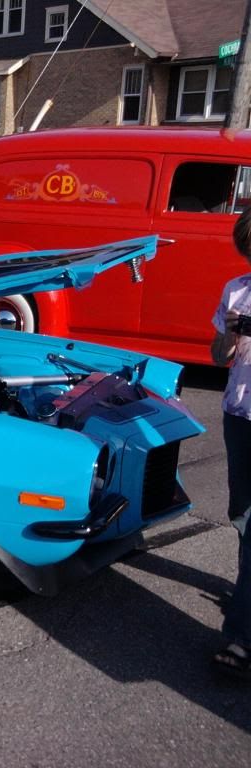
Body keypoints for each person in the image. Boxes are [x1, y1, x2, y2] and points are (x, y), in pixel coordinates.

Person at [211, 205, 251, 679]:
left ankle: (241, 635)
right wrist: (232, 334)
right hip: (238, 416)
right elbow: (217, 352)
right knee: (241, 515)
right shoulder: (236, 291)